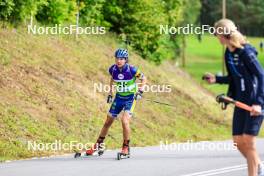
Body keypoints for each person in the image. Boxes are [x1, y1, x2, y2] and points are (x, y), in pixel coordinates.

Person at [203, 19, 264, 176]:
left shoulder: (245, 52)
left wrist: (259, 102)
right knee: (238, 141)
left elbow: (261, 75)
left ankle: (255, 172)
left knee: (248, 142)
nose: (216, 37)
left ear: (223, 35)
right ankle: (259, 166)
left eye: (217, 34)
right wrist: (216, 80)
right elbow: (233, 78)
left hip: (254, 102)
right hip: (240, 101)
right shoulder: (228, 53)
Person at [86, 48, 146, 156]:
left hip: (130, 99)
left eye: (122, 59)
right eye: (117, 58)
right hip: (118, 98)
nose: (119, 61)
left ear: (125, 60)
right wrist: (110, 93)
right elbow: (112, 79)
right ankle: (98, 145)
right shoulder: (113, 69)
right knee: (108, 122)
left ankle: (126, 148)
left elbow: (144, 79)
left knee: (124, 121)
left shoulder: (132, 70)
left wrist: (140, 91)